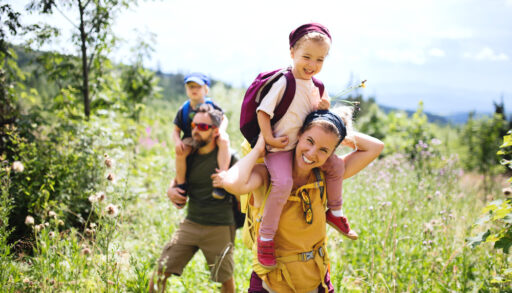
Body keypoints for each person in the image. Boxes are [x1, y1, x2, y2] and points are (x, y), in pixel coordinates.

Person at [213, 108, 384, 292]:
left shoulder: (326, 177)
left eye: (323, 150)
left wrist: (336, 130)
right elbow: (232, 184)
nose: (311, 153)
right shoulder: (268, 175)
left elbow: (376, 147)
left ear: (330, 154)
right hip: (270, 283)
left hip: (315, 280)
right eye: (309, 141)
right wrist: (259, 148)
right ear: (299, 135)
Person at [254, 23, 356, 269]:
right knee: (283, 183)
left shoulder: (316, 86)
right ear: (292, 53)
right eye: (306, 57)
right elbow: (263, 112)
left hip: (302, 146)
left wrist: (322, 107)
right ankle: (265, 238)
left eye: (319, 59)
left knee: (335, 167)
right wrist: (268, 138)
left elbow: (315, 118)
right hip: (280, 148)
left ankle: (335, 212)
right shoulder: (284, 81)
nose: (312, 64)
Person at [149, 104, 237, 293]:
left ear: (215, 131)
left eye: (203, 127)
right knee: (159, 272)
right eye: (194, 125)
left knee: (226, 280)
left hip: (220, 226)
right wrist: (170, 190)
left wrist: (228, 181)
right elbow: (178, 182)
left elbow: (243, 186)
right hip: (192, 223)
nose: (196, 130)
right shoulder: (188, 155)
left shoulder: (229, 157)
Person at [172, 72, 230, 200]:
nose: (194, 90)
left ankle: (221, 178)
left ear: (206, 89)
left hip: (210, 135)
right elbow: (176, 130)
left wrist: (221, 130)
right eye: (191, 87)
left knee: (224, 141)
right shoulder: (184, 109)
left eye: (198, 87)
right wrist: (177, 142)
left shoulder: (212, 105)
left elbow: (224, 118)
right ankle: (181, 185)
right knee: (180, 153)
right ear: (186, 89)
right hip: (191, 138)